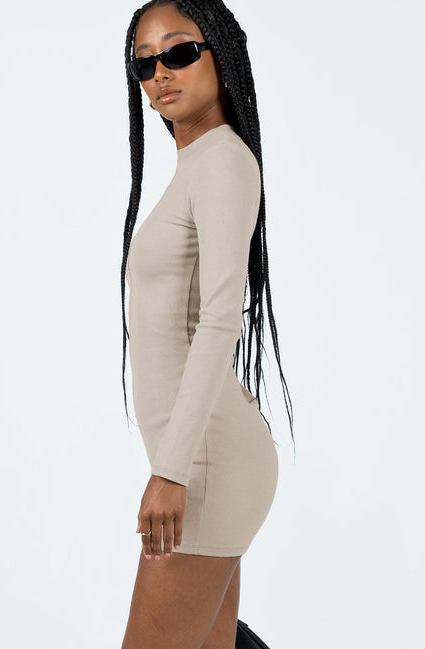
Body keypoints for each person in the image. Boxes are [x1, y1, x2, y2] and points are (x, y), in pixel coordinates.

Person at [120, 1, 294, 647]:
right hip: (202, 458)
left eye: (178, 52)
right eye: (144, 63)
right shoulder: (199, 165)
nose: (159, 73)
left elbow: (221, 318)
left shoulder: (221, 162)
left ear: (221, 52)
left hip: (202, 467)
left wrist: (172, 471)